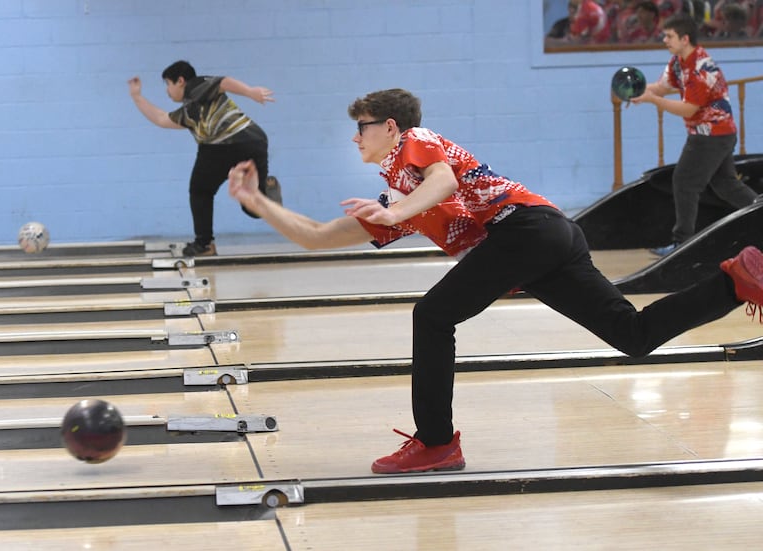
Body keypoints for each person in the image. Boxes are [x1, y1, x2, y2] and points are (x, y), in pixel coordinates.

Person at [227, 88, 763, 474]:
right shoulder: (400, 195)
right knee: (634, 336)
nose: (354, 136)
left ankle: (436, 443)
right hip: (550, 235)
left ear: (390, 126)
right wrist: (257, 203)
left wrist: (396, 212)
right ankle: (735, 282)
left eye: (362, 126)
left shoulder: (417, 143)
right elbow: (318, 236)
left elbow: (439, 180)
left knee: (432, 315)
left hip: (525, 230)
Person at [630, 14, 758, 257]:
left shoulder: (702, 69)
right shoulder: (678, 62)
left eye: (669, 36)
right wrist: (636, 92)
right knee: (726, 185)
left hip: (712, 135)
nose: (664, 40)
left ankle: (683, 245)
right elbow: (661, 87)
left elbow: (688, 108)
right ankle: (759, 212)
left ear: (684, 38)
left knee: (684, 182)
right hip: (712, 134)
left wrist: (653, 100)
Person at [128, 60, 282, 257]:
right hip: (252, 141)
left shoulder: (197, 85)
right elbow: (161, 118)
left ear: (181, 81)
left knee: (200, 190)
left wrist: (250, 91)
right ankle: (268, 193)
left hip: (223, 145)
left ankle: (205, 244)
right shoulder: (188, 111)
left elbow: (224, 82)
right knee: (252, 204)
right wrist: (137, 97)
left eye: (168, 84)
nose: (167, 91)